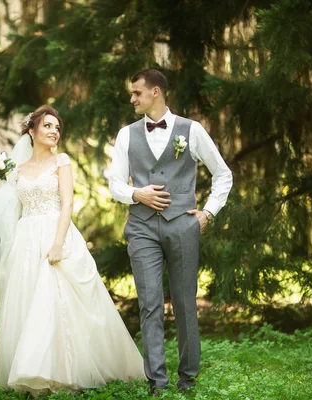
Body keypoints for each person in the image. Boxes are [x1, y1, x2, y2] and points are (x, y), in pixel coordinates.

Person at [0, 105, 146, 397]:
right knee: (30, 301)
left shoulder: (62, 162)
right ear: (32, 131)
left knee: (58, 300)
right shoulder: (16, 170)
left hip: (57, 232)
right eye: (47, 126)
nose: (53, 131)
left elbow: (68, 204)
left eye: (57, 127)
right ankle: (33, 370)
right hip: (27, 237)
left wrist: (58, 243)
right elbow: (12, 207)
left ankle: (66, 371)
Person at [108, 69, 233, 396]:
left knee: (185, 303)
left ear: (156, 92)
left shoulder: (191, 130)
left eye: (137, 92)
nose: (132, 98)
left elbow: (223, 174)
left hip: (183, 226)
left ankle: (188, 380)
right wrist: (137, 194)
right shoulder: (126, 135)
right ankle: (157, 383)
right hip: (141, 228)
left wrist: (208, 212)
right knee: (149, 304)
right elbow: (114, 183)